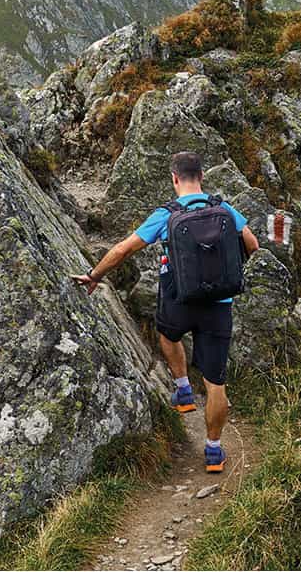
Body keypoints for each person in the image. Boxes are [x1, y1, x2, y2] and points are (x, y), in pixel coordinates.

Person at [72, 151, 258, 472]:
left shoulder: (166, 215)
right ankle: (214, 450)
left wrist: (95, 275)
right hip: (219, 307)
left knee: (167, 334)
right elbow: (252, 245)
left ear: (174, 178)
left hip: (179, 301)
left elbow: (122, 250)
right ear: (201, 176)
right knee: (216, 384)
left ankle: (183, 390)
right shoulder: (224, 209)